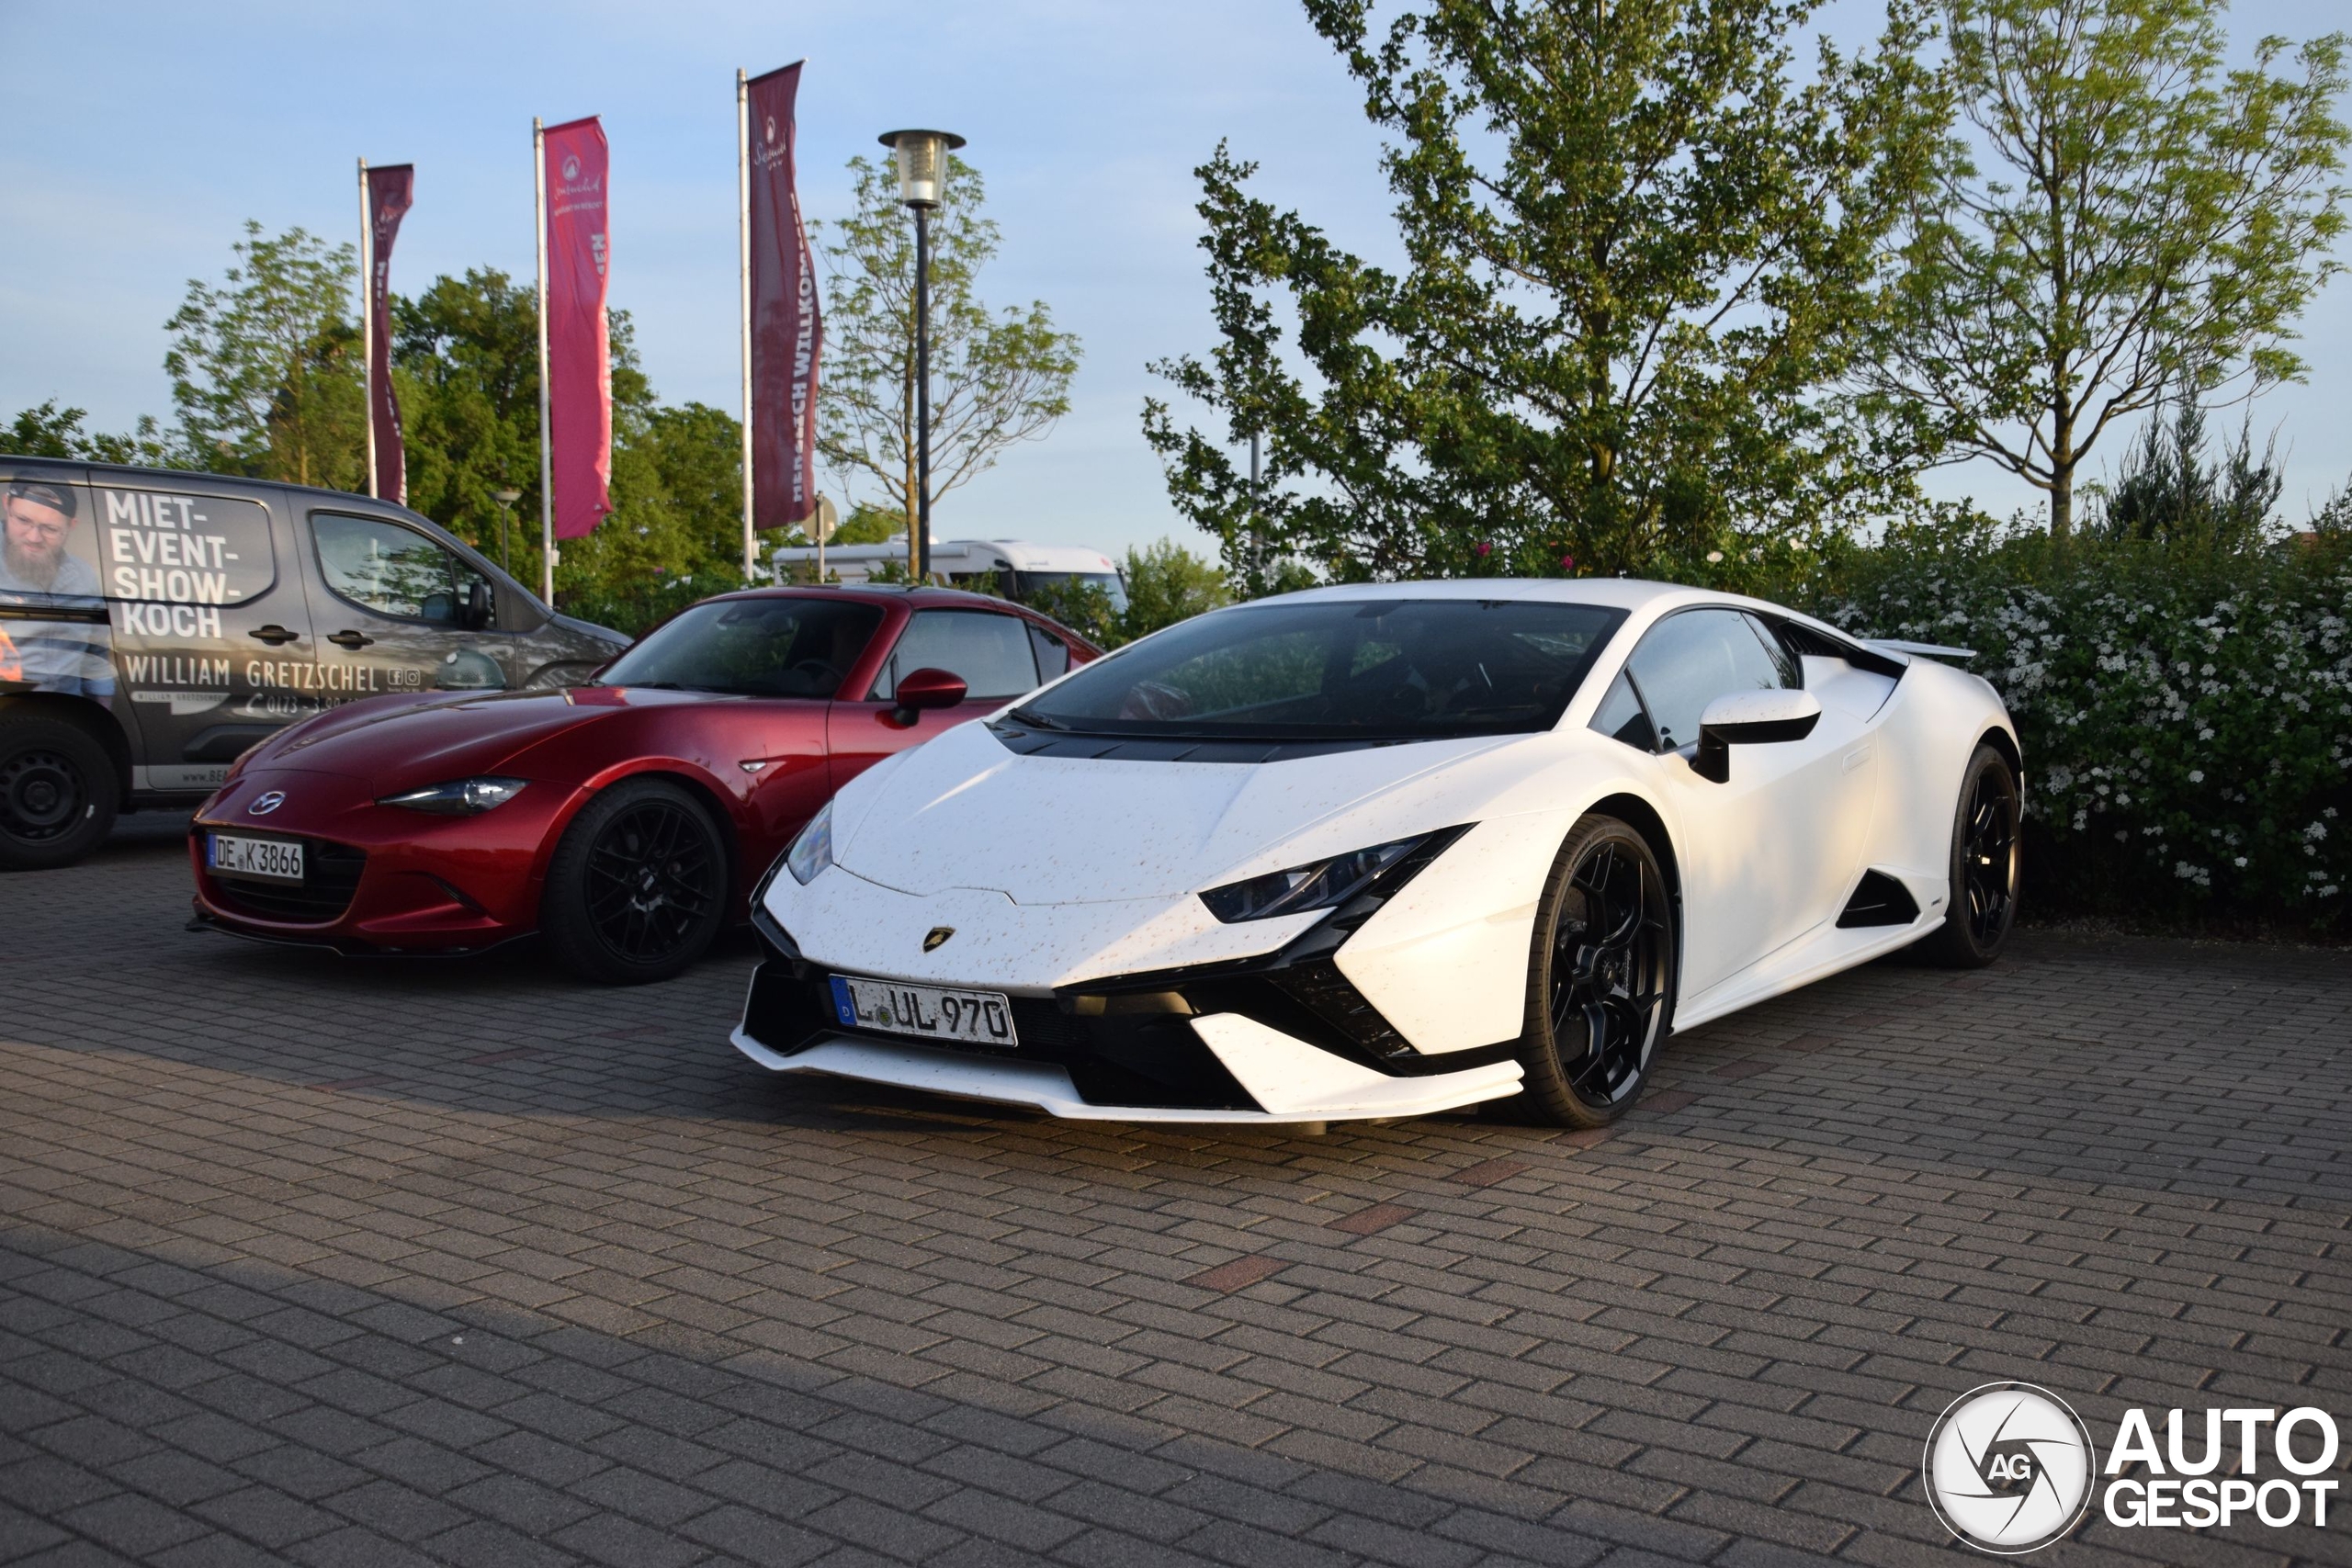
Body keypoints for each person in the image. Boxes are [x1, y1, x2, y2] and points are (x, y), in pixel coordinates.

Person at [0, 479, 115, 699]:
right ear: (7, 504)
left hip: (64, 721)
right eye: (23, 520)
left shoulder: (84, 577)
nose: (33, 538)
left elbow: (97, 656)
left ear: (71, 525)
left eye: (50, 529)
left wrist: (100, 717)